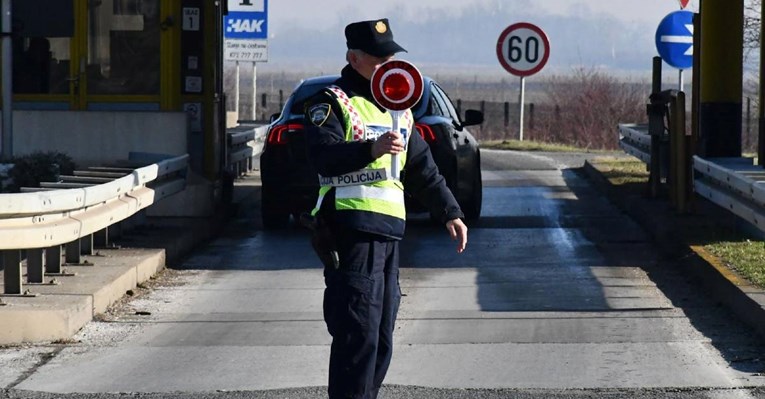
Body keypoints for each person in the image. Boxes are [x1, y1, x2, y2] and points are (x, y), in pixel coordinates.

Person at [303, 18, 468, 399]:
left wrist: (450, 212)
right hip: (351, 229)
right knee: (356, 331)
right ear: (354, 58)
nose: (387, 64)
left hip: (389, 233)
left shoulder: (401, 110)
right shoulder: (330, 101)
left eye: (390, 57)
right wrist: (370, 149)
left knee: (381, 334)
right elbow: (322, 156)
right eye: (378, 58)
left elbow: (423, 169)